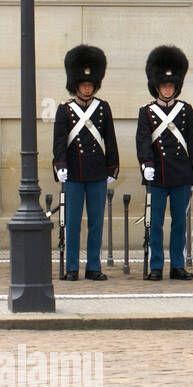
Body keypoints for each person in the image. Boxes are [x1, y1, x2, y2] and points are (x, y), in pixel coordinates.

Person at [135, 45, 193, 280]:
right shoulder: (147, 112)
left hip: (181, 175)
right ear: (157, 86)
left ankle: (177, 265)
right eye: (164, 85)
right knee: (155, 224)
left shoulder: (185, 110)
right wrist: (146, 164)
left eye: (171, 85)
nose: (167, 89)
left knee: (179, 224)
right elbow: (143, 140)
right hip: (157, 177)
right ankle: (156, 266)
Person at [52, 45, 119, 281]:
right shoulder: (65, 110)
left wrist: (112, 167)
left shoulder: (103, 108)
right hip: (73, 175)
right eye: (83, 84)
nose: (87, 87)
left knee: (95, 224)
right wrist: (60, 165)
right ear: (76, 85)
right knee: (71, 224)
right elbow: (59, 141)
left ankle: (93, 267)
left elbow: (110, 139)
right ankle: (72, 267)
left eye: (90, 84)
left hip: (97, 174)